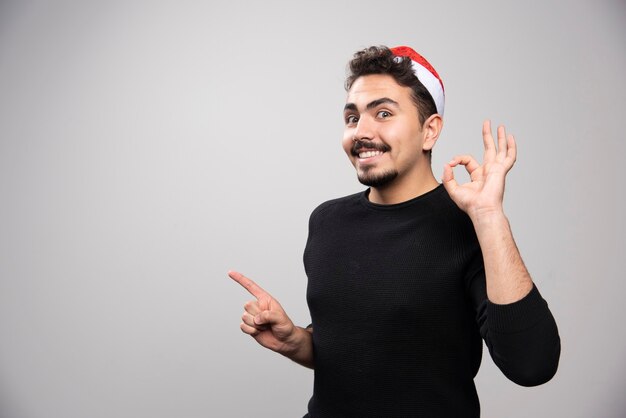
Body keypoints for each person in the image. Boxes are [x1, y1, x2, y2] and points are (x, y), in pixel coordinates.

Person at [229, 45, 560, 417]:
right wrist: (297, 342)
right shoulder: (326, 221)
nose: (361, 132)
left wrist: (489, 217)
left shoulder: (468, 225)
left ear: (429, 131)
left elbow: (532, 365)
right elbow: (359, 352)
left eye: (383, 113)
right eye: (352, 118)